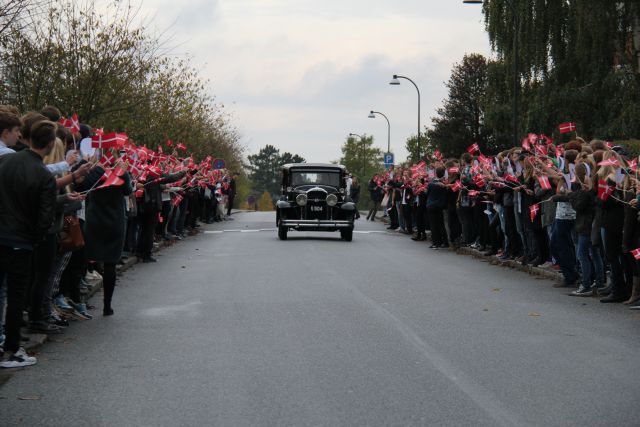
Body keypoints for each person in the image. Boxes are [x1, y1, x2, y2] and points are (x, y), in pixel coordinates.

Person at [0, 120, 58, 368]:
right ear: (50, 144)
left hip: (3, 235)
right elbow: (45, 217)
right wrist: (34, 239)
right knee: (15, 297)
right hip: (20, 241)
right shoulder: (43, 175)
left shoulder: (6, 161)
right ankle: (12, 349)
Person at [74, 158, 133, 316]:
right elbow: (128, 190)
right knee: (110, 265)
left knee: (85, 259)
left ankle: (78, 299)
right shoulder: (120, 173)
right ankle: (107, 305)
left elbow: (84, 187)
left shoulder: (95, 172)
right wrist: (124, 172)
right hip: (115, 223)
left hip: (95, 221)